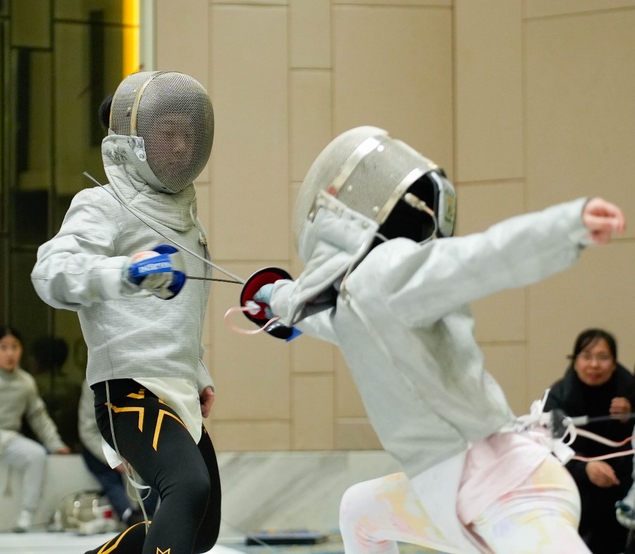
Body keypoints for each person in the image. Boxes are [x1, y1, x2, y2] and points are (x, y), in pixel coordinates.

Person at [250, 126, 626, 553]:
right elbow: (317, 315)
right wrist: (269, 297)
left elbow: (483, 258)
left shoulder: (391, 272)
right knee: (359, 509)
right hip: (445, 491)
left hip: (514, 493)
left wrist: (566, 227)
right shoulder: (352, 298)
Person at [31, 70, 221, 554]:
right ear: (134, 143)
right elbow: (51, 273)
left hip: (178, 386)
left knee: (201, 531)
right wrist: (128, 271)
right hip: (128, 388)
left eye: (187, 134)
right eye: (167, 133)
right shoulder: (103, 204)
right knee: (188, 488)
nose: (180, 145)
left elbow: (179, 314)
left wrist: (197, 372)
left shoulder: (186, 218)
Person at [543, 328, 635, 554]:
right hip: (574, 493)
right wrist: (585, 469)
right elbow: (547, 449)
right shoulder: (558, 396)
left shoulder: (630, 391)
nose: (594, 365)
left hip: (622, 495)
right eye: (586, 356)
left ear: (614, 363)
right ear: (575, 362)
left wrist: (631, 412)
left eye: (603, 357)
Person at [0, 325, 71, 533]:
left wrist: (56, 444)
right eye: (3, 347)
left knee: (36, 454)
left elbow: (38, 417)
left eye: (15, 347)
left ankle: (26, 515)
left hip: (8, 439)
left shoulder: (26, 382)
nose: (10, 353)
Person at [78, 380, 159, 528]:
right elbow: (88, 431)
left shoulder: (145, 377)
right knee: (105, 471)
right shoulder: (93, 381)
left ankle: (146, 515)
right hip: (103, 443)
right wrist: (114, 457)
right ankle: (128, 516)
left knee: (160, 460)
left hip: (139, 440)